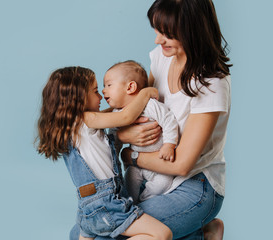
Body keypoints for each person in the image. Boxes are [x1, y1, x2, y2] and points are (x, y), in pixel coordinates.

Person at [69, 0, 231, 239]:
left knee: (105, 233)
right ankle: (198, 232)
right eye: (156, 30)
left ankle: (198, 226)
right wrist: (124, 136)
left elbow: (181, 165)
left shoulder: (211, 84)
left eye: (167, 34)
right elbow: (141, 111)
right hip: (151, 177)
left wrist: (130, 155)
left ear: (192, 30)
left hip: (194, 185)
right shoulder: (162, 57)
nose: (157, 40)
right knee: (81, 232)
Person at [37, 66, 172, 240]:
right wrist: (144, 94)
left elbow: (114, 114)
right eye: (95, 91)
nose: (101, 96)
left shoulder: (70, 127)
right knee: (162, 234)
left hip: (87, 209)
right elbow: (125, 117)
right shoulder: (86, 120)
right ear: (78, 98)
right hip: (107, 204)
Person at [103, 60, 179, 204]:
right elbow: (113, 138)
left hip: (159, 163)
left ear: (130, 87)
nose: (103, 90)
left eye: (109, 85)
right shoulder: (117, 113)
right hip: (135, 167)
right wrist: (114, 157)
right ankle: (130, 203)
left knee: (163, 184)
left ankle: (144, 200)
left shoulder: (150, 105)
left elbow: (169, 120)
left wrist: (169, 144)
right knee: (129, 185)